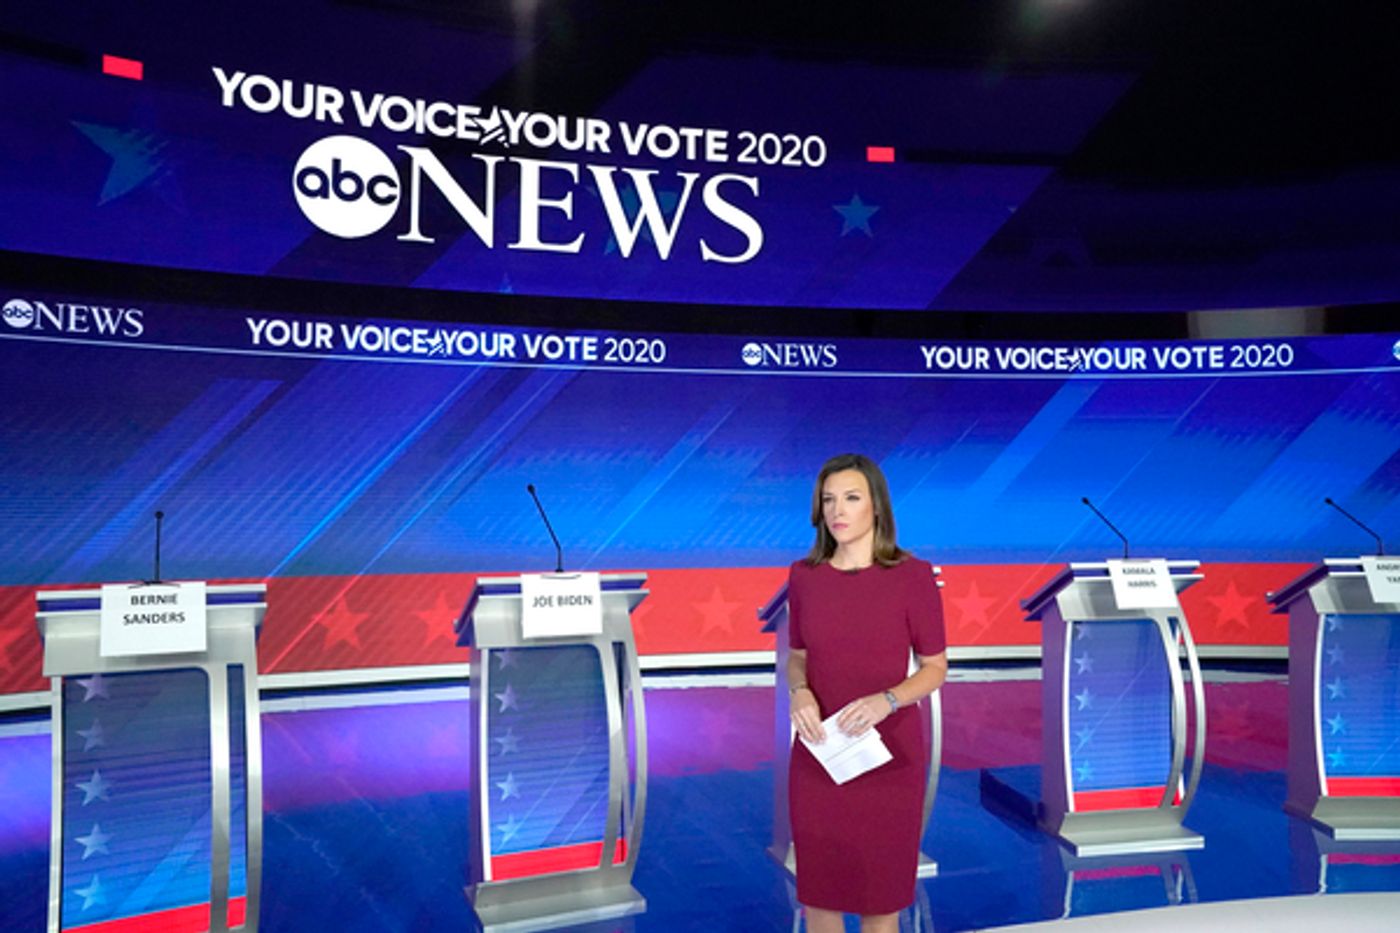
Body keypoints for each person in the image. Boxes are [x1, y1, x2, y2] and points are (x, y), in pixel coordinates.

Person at [787, 453, 948, 933]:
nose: (838, 510)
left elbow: (935, 668)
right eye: (829, 500)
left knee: (881, 902)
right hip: (820, 754)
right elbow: (797, 654)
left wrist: (888, 700)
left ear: (876, 506)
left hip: (888, 757)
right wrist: (799, 690)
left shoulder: (913, 576)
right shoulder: (804, 576)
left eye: (851, 498)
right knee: (821, 898)